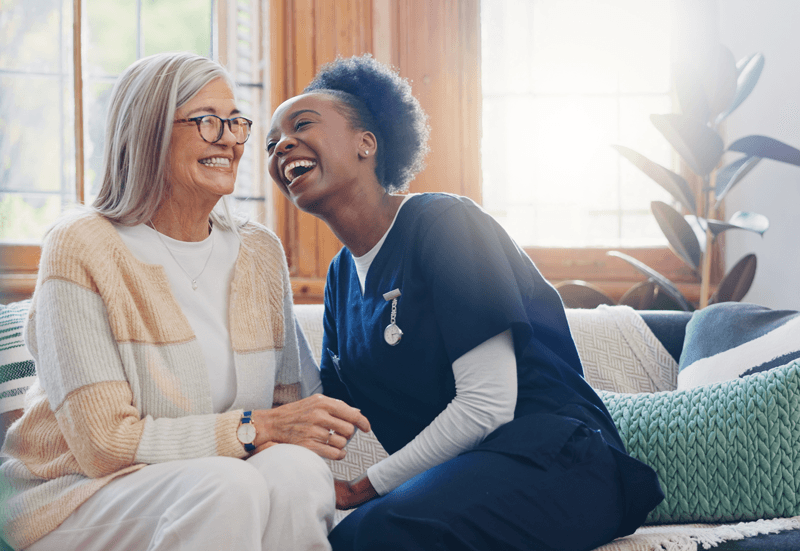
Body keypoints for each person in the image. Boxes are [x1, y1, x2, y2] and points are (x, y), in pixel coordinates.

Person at [265, 54, 664, 551]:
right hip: (463, 476)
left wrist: (363, 488)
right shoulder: (340, 279)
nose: (283, 145)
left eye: (302, 124)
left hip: (560, 464)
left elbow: (486, 405)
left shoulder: (445, 223)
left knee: (372, 534)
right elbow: (320, 408)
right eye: (271, 143)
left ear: (366, 143)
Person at [0, 52, 369, 551]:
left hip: (213, 482)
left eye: (236, 123)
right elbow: (103, 445)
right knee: (225, 484)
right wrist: (251, 428)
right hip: (77, 494)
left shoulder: (259, 251)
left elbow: (292, 409)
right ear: (148, 132)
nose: (230, 140)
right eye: (206, 121)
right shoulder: (82, 245)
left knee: (297, 470)